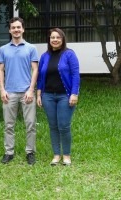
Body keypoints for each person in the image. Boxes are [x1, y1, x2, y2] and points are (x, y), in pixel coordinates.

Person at [0, 17, 38, 165]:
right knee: (8, 125)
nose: (16, 30)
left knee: (31, 124)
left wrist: (31, 89)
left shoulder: (31, 48)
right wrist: (2, 90)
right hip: (9, 92)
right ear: (10, 30)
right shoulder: (3, 49)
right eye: (13, 27)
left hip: (27, 92)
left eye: (18, 27)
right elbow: (0, 70)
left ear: (23, 29)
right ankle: (9, 152)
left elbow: (35, 70)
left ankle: (30, 152)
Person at [37, 28, 80, 166]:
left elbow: (75, 75)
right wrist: (39, 93)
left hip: (64, 96)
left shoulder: (69, 54)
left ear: (62, 39)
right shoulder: (44, 56)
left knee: (64, 126)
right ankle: (56, 155)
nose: (55, 40)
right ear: (49, 40)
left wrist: (74, 93)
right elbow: (40, 77)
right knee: (53, 126)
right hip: (48, 96)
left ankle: (66, 155)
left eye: (58, 37)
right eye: (52, 37)